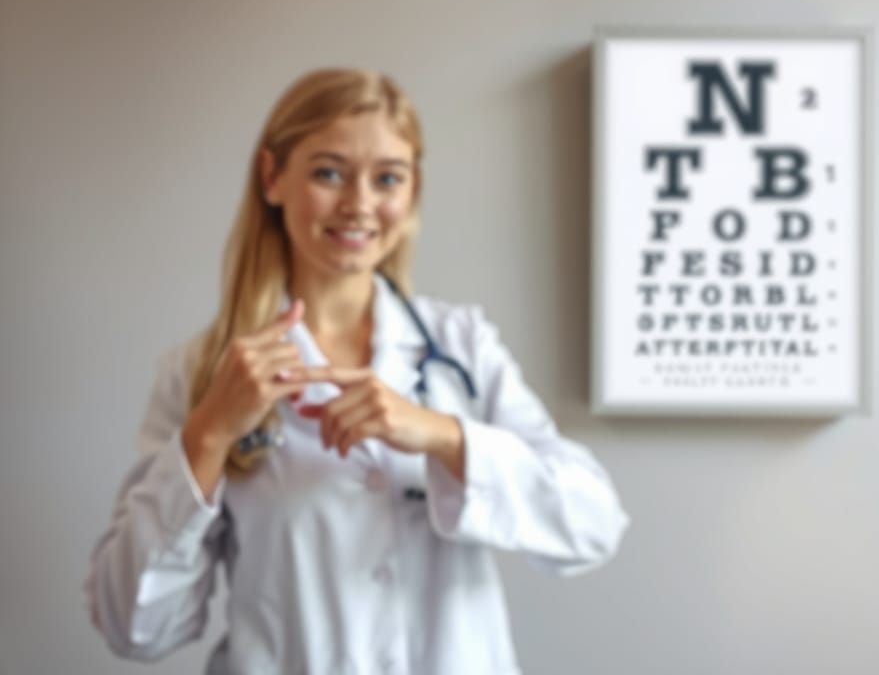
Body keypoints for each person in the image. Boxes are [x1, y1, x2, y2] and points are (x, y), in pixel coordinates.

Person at [84, 67, 630, 675]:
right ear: (272, 177)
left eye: (388, 178)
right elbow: (134, 628)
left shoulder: (461, 345)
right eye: (328, 172)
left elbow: (593, 526)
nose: (359, 204)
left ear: (412, 190)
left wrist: (444, 436)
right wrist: (209, 434)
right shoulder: (201, 370)